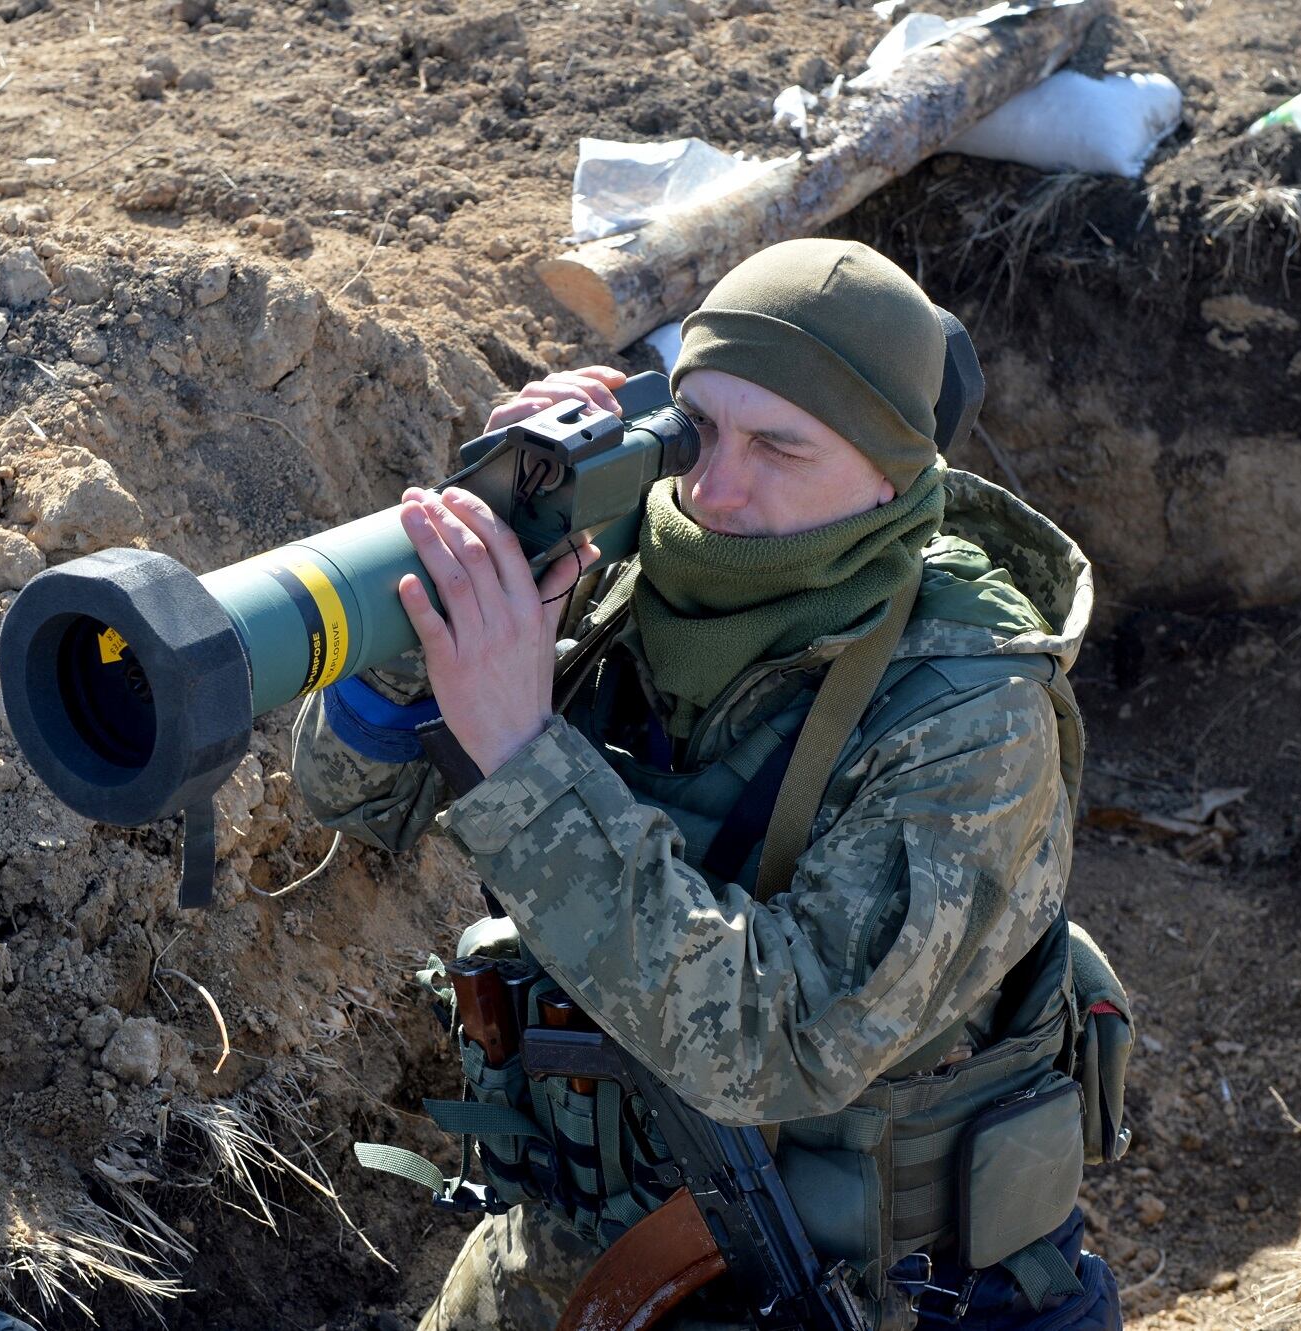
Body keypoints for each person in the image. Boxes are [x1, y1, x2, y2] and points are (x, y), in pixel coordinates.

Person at [292, 239, 1125, 1330]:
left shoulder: (972, 710)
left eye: (779, 447)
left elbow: (782, 1039)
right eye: (700, 428)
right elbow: (355, 798)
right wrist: (477, 549)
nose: (716, 488)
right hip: (576, 1256)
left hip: (852, 1294)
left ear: (891, 471)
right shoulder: (618, 571)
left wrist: (522, 758)